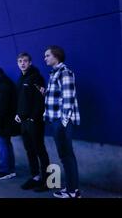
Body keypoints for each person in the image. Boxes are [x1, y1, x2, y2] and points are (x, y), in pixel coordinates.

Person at [43, 46, 81, 199]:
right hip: (56, 120)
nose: (45, 58)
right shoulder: (55, 74)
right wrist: (45, 93)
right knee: (64, 156)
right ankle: (71, 189)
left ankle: (73, 191)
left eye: (47, 55)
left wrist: (62, 122)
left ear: (56, 56)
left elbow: (69, 99)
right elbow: (59, 96)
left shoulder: (65, 73)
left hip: (61, 121)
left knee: (67, 156)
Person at [15, 53, 50, 191]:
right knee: (29, 150)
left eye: (25, 61)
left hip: (34, 121)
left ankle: (46, 181)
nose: (22, 63)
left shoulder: (37, 78)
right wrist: (18, 114)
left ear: (30, 62)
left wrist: (33, 117)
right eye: (19, 61)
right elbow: (21, 100)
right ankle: (35, 177)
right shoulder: (21, 79)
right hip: (23, 122)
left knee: (39, 150)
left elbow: (39, 101)